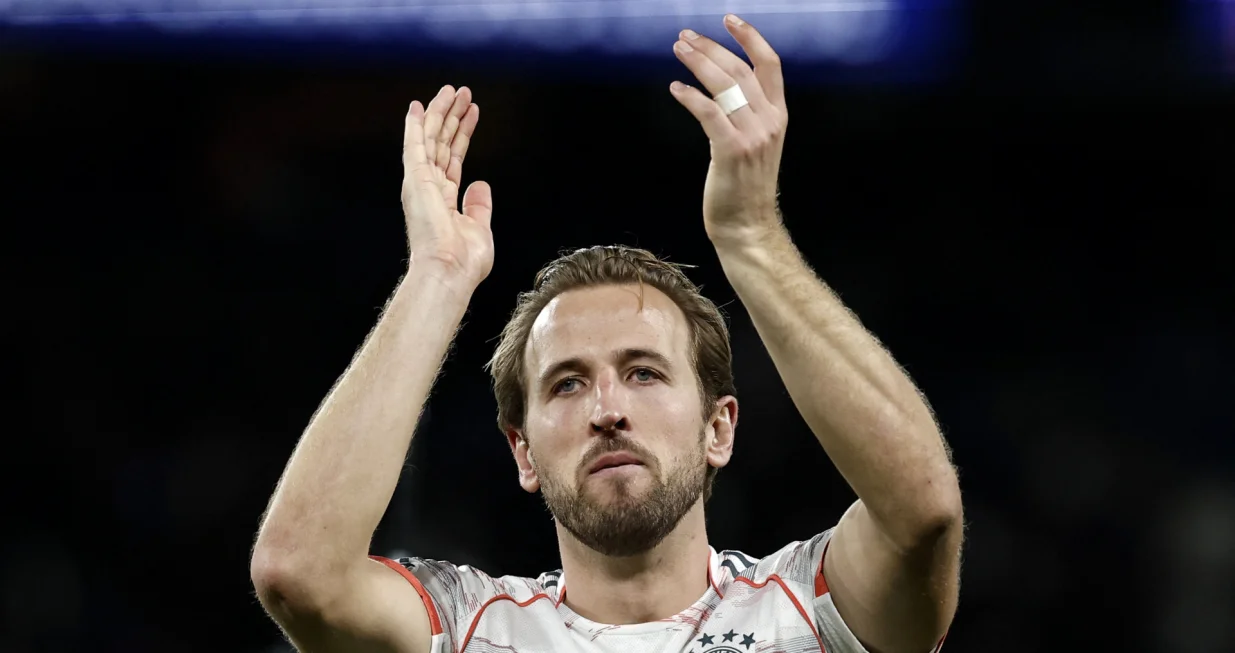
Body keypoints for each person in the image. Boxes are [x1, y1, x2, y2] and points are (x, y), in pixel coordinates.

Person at [250, 15, 962, 653]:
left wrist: (751, 237)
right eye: (567, 384)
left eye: (644, 372)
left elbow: (922, 510)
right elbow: (301, 575)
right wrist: (435, 277)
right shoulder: (468, 628)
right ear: (522, 451)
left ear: (718, 427)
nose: (607, 409)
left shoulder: (806, 608)